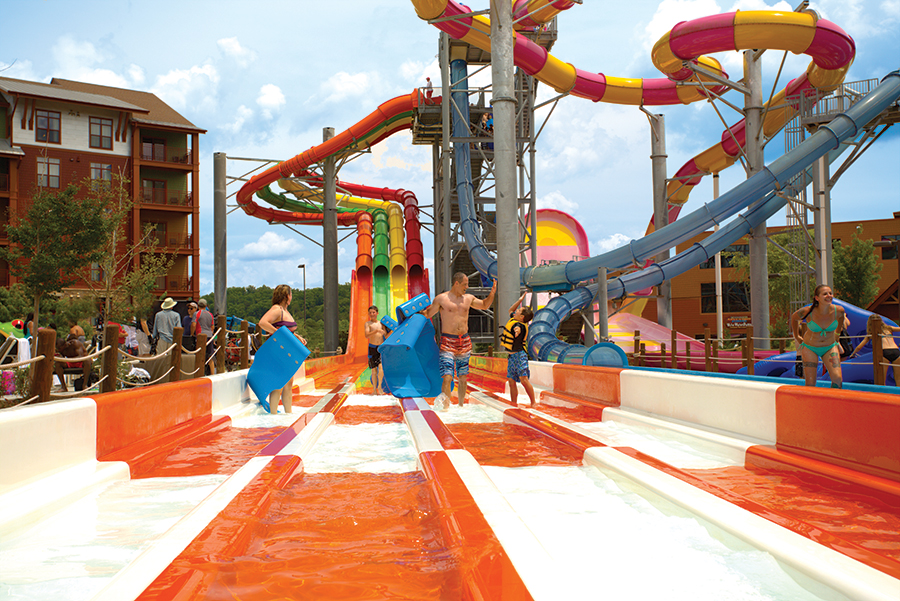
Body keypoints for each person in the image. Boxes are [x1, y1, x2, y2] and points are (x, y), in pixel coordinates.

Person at [423, 272, 497, 409]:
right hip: (448, 341)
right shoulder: (441, 299)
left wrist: (492, 293)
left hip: (464, 341)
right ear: (456, 283)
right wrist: (414, 314)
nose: (467, 287)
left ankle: (461, 406)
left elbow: (484, 305)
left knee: (463, 376)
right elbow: (428, 314)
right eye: (465, 284)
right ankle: (446, 408)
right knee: (447, 376)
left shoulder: (468, 298)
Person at [258, 284, 307, 414]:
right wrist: (278, 334)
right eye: (291, 294)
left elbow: (286, 329)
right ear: (287, 296)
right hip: (278, 350)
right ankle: (273, 414)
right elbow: (263, 323)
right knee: (278, 383)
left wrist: (297, 337)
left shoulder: (285, 311)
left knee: (288, 383)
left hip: (286, 351)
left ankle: (288, 412)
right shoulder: (277, 310)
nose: (291, 297)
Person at [790, 285, 849, 388]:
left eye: (830, 293)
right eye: (825, 294)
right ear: (817, 298)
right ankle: (810, 398)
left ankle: (833, 398)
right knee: (810, 383)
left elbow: (841, 320)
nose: (829, 296)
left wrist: (837, 334)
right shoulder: (808, 311)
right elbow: (794, 318)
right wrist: (797, 336)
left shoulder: (838, 310)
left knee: (837, 379)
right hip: (810, 348)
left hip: (829, 347)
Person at [501, 292, 536, 407]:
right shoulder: (515, 319)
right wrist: (519, 301)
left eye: (519, 311)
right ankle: (513, 403)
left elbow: (518, 329)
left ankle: (533, 402)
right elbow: (510, 310)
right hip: (512, 356)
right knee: (511, 381)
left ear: (522, 317)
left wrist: (517, 332)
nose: (516, 311)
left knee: (523, 379)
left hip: (520, 356)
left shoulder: (520, 325)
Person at [850, 321, 900, 386]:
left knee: (882, 379)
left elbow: (860, 346)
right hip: (896, 350)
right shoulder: (889, 328)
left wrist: (853, 354)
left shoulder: (872, 332)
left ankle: (882, 391)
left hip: (884, 351)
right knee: (898, 378)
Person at [364, 305, 386, 394]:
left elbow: (385, 334)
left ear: (377, 313)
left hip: (380, 348)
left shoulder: (381, 323)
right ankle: (374, 390)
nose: (372, 314)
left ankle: (379, 387)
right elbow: (366, 335)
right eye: (370, 313)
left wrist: (389, 332)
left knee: (381, 368)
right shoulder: (368, 324)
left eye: (373, 312)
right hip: (372, 347)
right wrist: (376, 331)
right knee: (374, 370)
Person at [194, 299, 215, 374]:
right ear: (206, 306)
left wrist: (192, 333)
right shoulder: (210, 314)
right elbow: (212, 327)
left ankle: (200, 373)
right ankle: (213, 374)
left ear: (198, 305)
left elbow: (193, 324)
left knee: (200, 355)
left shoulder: (197, 313)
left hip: (201, 336)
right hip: (209, 336)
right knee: (210, 356)